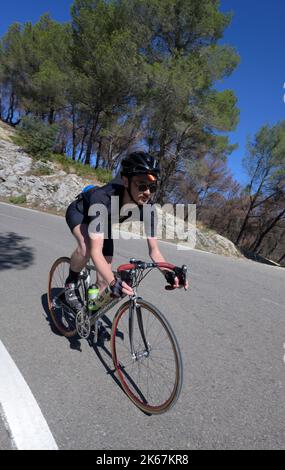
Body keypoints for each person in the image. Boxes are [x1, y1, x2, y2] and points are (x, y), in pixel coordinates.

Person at [64, 151, 188, 311]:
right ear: (125, 181)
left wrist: (169, 273)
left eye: (152, 186)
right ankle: (70, 283)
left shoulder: (148, 210)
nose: (148, 192)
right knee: (87, 247)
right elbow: (96, 252)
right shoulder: (103, 198)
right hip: (80, 213)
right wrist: (114, 282)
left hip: (104, 221)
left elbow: (155, 251)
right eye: (142, 185)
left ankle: (90, 313)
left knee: (103, 280)